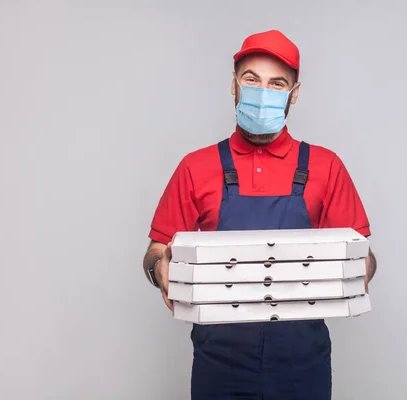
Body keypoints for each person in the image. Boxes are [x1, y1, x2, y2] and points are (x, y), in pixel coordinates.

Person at [143, 29, 377, 400]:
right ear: (234, 84)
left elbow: (364, 255)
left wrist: (360, 268)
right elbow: (157, 251)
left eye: (277, 83)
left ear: (294, 93)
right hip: (219, 362)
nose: (262, 93)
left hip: (303, 363)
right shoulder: (195, 166)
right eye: (251, 80)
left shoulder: (326, 166)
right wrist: (160, 269)